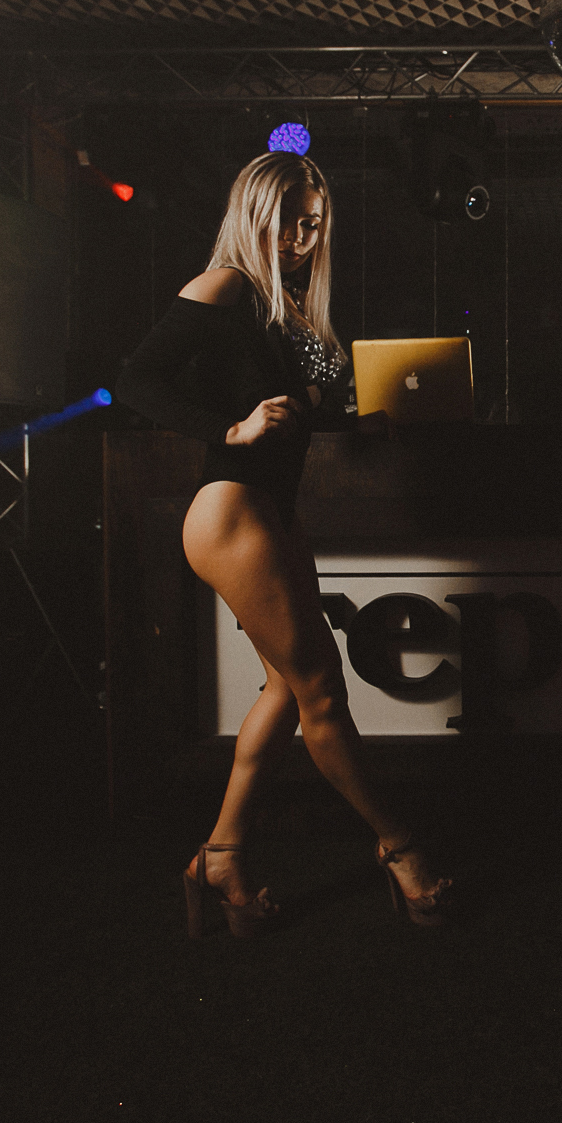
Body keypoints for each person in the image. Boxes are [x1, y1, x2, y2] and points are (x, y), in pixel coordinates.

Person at [118, 151, 455, 935]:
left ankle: (222, 856)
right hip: (231, 510)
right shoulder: (224, 285)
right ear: (253, 213)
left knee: (283, 691)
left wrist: (354, 421)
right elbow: (135, 380)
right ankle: (400, 848)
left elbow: (294, 408)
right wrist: (229, 429)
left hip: (271, 512)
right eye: (291, 222)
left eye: (314, 224)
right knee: (323, 693)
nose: (304, 238)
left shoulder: (288, 303)